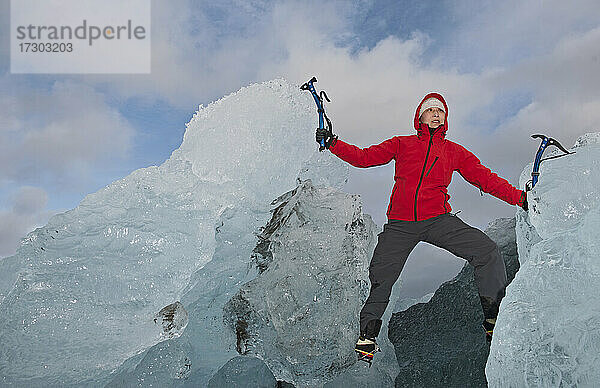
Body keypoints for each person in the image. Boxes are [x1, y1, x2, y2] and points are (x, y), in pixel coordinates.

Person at [316, 92, 528, 362]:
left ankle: (493, 318)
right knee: (382, 276)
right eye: (430, 110)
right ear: (420, 117)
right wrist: (332, 142)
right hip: (400, 225)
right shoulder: (401, 144)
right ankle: (367, 336)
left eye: (440, 111)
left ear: (446, 118)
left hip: (438, 220)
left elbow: (485, 179)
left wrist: (519, 197)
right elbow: (364, 157)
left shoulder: (454, 152)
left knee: (487, 251)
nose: (436, 114)